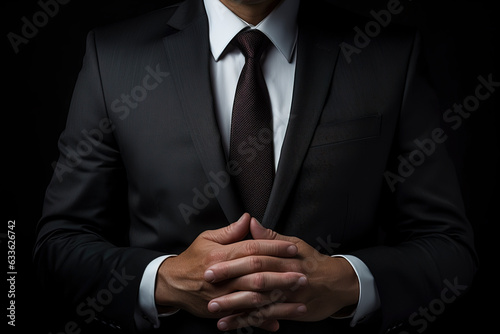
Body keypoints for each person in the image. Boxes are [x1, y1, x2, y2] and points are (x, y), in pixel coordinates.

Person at [34, 0, 478, 333]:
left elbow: (449, 249)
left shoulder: (387, 56)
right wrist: (166, 281)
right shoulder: (114, 58)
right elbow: (58, 245)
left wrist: (345, 282)